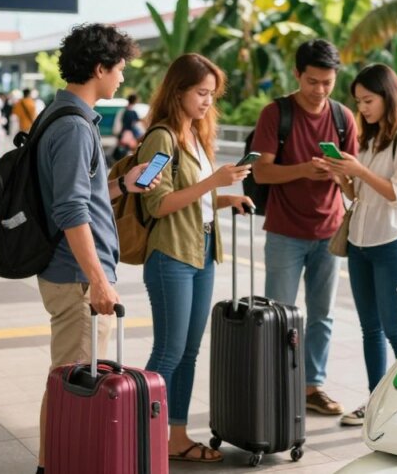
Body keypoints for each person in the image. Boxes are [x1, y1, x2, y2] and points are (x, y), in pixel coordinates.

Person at [34, 23, 157, 474]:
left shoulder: (63, 116)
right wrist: (99, 281)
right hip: (77, 278)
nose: (122, 78)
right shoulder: (74, 127)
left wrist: (122, 184)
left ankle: (59, 463)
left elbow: (77, 193)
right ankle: (57, 465)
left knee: (71, 379)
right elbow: (70, 209)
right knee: (73, 382)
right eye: (119, 68)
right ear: (100, 68)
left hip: (72, 273)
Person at [137, 54, 252, 463]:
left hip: (201, 250)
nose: (207, 102)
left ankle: (177, 438)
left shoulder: (195, 136)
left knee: (188, 352)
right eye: (201, 93)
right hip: (171, 255)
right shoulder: (161, 138)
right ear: (178, 91)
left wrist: (225, 197)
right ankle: (139, 439)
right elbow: (157, 204)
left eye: (211, 95)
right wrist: (213, 181)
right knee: (168, 351)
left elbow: (196, 201)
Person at [250, 39, 359, 416]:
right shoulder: (275, 113)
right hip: (284, 231)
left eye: (327, 82)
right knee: (279, 313)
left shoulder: (344, 118)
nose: (320, 90)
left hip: (330, 231)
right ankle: (276, 383)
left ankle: (312, 386)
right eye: (312, 81)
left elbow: (353, 185)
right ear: (297, 74)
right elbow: (261, 171)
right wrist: (303, 169)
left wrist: (340, 175)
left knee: (322, 315)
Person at [322, 64, 397, 426]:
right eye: (358, 102)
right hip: (360, 243)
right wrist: (342, 177)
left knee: (395, 328)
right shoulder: (369, 140)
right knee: (370, 329)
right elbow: (360, 196)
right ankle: (376, 402)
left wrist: (360, 170)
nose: (362, 108)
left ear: (388, 96)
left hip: (392, 243)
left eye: (368, 100)